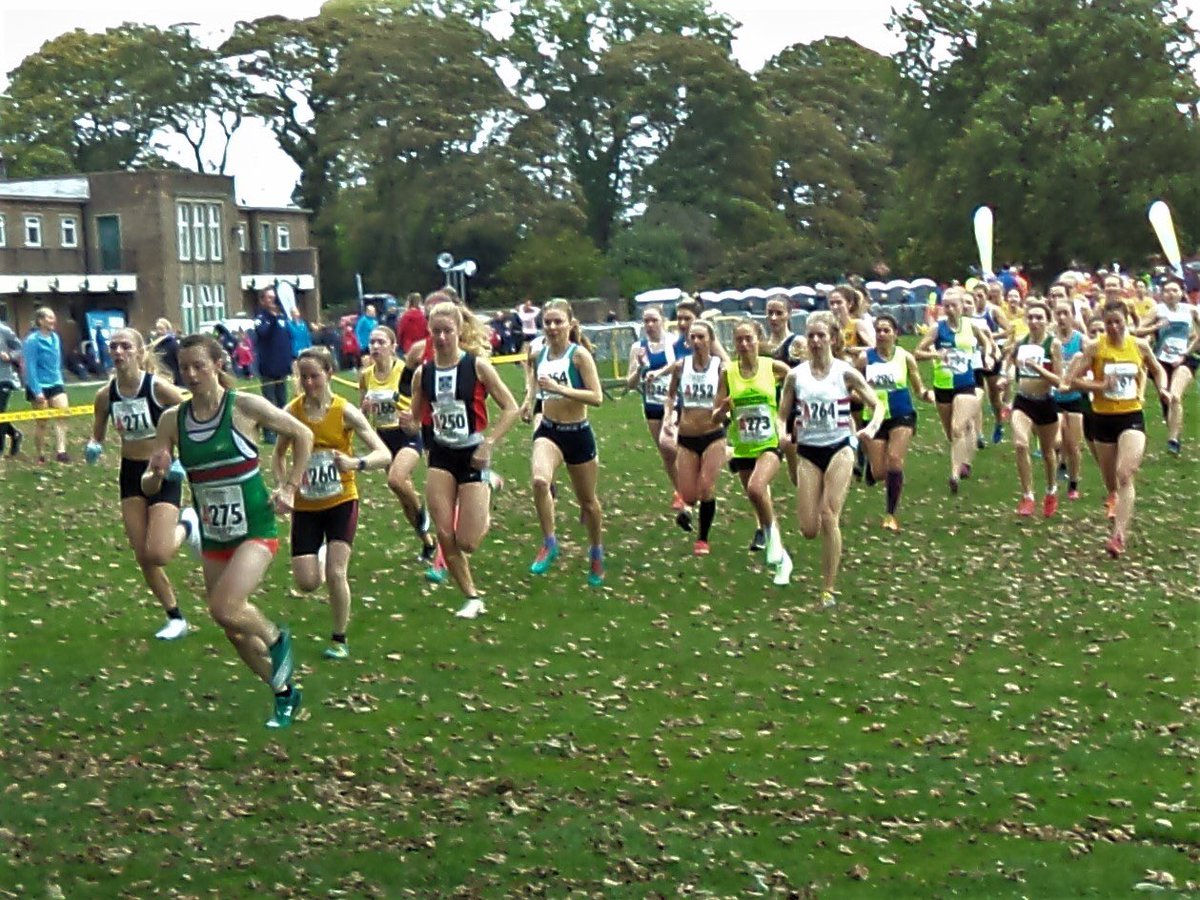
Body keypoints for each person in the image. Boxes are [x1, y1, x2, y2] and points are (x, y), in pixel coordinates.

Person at [141, 333, 314, 729]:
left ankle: (276, 637)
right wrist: (157, 473)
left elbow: (303, 435)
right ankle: (284, 693)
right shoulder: (173, 420)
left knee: (225, 607)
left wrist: (290, 487)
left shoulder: (244, 407)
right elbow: (150, 486)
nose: (191, 375)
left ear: (218, 365)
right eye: (184, 368)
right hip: (215, 535)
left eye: (199, 366)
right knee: (233, 631)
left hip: (255, 527)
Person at [275, 347, 390, 660]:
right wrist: (284, 487)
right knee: (307, 582)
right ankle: (323, 555)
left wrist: (355, 463)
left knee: (337, 573)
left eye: (314, 376)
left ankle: (339, 638)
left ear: (329, 373)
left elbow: (383, 453)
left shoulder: (345, 411)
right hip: (306, 505)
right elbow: (278, 455)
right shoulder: (292, 412)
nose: (309, 383)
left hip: (341, 499)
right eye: (303, 377)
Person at [86, 327, 199, 639]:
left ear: (139, 352)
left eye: (125, 346)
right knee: (143, 555)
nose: (118, 352)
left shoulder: (157, 387)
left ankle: (188, 524)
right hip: (130, 473)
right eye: (113, 347)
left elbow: (190, 412)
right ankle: (175, 617)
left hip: (163, 471)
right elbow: (98, 432)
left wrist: (181, 455)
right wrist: (94, 446)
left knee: (158, 553)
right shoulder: (105, 395)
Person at [410, 302, 519, 619]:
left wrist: (489, 443)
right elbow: (416, 420)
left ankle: (489, 484)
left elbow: (511, 408)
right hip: (441, 454)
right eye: (436, 332)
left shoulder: (477, 367)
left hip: (473, 453)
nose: (442, 337)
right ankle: (472, 597)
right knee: (445, 534)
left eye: (447, 331)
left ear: (459, 331)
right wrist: (406, 422)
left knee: (467, 542)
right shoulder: (423, 373)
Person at [779, 312, 884, 607]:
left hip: (840, 447)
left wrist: (870, 429)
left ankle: (828, 588)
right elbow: (782, 414)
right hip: (808, 451)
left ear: (832, 338)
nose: (815, 341)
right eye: (811, 335)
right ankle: (827, 581)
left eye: (821, 335)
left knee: (829, 515)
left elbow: (877, 404)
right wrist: (782, 434)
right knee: (809, 529)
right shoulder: (796, 376)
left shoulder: (844, 373)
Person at [1067, 301, 1168, 557]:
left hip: (1131, 416)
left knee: (1125, 474)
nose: (1113, 327)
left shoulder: (1139, 346)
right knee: (1111, 480)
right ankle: (1113, 497)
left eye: (1118, 322)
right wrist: (1100, 386)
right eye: (1109, 322)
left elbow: (1157, 370)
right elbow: (1073, 381)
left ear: (1127, 321)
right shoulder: (1095, 347)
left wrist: (1163, 390)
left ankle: (1118, 536)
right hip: (1102, 418)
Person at [524, 299, 606, 586]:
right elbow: (535, 383)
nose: (552, 327)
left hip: (578, 433)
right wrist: (528, 403)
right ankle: (549, 542)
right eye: (547, 322)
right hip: (549, 430)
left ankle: (596, 551)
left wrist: (561, 389)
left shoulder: (579, 356)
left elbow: (597, 397)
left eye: (558, 321)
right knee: (539, 481)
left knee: (588, 503)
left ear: (570, 324)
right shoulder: (539, 354)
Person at [713, 319, 793, 583]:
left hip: (769, 442)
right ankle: (782, 560)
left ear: (759, 340)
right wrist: (723, 410)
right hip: (743, 446)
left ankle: (772, 538)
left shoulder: (773, 367)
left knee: (757, 489)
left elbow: (796, 380)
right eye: (739, 340)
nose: (744, 344)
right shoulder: (728, 373)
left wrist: (789, 414)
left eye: (749, 338)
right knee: (759, 499)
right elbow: (714, 417)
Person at [359, 325, 436, 561]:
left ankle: (422, 514)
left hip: (407, 434)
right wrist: (364, 409)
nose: (375, 346)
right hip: (383, 439)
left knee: (396, 479)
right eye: (372, 342)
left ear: (393, 346)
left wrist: (415, 418)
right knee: (403, 496)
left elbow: (422, 400)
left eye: (381, 342)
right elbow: (362, 414)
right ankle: (427, 542)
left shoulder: (404, 370)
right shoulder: (366, 375)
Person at [915, 287, 995, 494]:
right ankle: (964, 460)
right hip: (943, 385)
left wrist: (987, 355)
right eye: (946, 306)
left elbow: (986, 342)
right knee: (952, 433)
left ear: (961, 306)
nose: (950, 309)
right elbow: (917, 352)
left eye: (954, 305)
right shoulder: (937, 329)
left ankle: (954, 474)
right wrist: (936, 355)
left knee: (958, 427)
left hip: (966, 383)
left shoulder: (971, 326)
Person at [858, 313, 931, 532]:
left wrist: (927, 395)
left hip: (902, 414)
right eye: (878, 330)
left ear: (895, 333)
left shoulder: (905, 357)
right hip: (875, 418)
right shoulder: (865, 358)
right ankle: (870, 468)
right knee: (880, 472)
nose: (881, 334)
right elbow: (853, 386)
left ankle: (890, 514)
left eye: (886, 330)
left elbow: (918, 388)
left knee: (895, 460)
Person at [662, 319, 725, 555]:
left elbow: (726, 398)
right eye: (693, 337)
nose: (696, 341)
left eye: (701, 337)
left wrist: (725, 412)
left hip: (712, 435)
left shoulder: (720, 368)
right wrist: (668, 417)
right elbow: (670, 395)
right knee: (688, 495)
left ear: (711, 340)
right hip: (687, 437)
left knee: (706, 488)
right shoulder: (681, 366)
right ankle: (687, 513)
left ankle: (702, 539)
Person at [1001, 300, 1063, 518]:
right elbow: (1009, 363)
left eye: (1039, 318)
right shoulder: (1021, 342)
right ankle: (1028, 496)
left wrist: (1038, 368)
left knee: (1047, 452)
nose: (1034, 321)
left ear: (1047, 321)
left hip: (1045, 402)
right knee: (1020, 444)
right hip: (1023, 401)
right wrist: (1004, 378)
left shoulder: (1053, 345)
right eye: (1031, 317)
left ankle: (1051, 490)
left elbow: (1059, 380)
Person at [624, 305, 681, 510]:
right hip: (652, 405)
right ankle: (680, 492)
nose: (649, 325)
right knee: (666, 452)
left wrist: (659, 373)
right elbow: (630, 384)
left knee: (673, 447)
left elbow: (682, 366)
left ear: (662, 321)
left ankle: (687, 485)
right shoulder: (638, 348)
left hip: (675, 403)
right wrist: (640, 367)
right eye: (646, 321)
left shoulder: (674, 342)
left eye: (654, 320)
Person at [1137, 276, 1199, 455]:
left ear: (1182, 293)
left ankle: (1173, 440)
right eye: (1167, 291)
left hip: (1184, 359)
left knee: (1175, 396)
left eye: (1174, 290)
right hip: (1161, 360)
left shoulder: (1191, 310)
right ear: (1161, 294)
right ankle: (1174, 431)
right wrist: (1156, 326)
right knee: (1166, 399)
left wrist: (1186, 352)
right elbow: (1137, 330)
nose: (1171, 294)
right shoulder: (1158, 310)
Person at [22, 307, 69, 463]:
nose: (53, 320)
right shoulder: (32, 341)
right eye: (49, 317)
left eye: (53, 317)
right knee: (42, 422)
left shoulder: (56, 338)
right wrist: (37, 391)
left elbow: (57, 363)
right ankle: (40, 454)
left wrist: (59, 380)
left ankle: (61, 451)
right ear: (40, 321)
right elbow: (30, 367)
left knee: (63, 413)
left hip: (55, 382)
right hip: (38, 385)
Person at [1051, 299, 1087, 500]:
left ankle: (1073, 484)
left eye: (1066, 313)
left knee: (1073, 445)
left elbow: (1091, 361)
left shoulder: (1081, 340)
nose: (1062, 317)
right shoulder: (1050, 339)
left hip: (1074, 397)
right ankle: (1056, 471)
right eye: (1058, 313)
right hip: (1053, 396)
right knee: (1056, 441)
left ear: (1073, 316)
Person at [253, 286, 295, 444]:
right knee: (269, 402)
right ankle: (269, 432)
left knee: (283, 401)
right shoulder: (261, 318)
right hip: (268, 367)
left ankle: (282, 430)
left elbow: (287, 338)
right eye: (269, 298)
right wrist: (271, 318)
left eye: (273, 297)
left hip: (282, 366)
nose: (273, 300)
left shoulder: (282, 317)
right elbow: (263, 333)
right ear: (262, 300)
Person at [0, 317, 23, 456]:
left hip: (3, 378)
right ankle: (15, 434)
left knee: (0, 413)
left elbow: (20, 348)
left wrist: (10, 356)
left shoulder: (3, 330)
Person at [151, 318, 183, 385]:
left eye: (161, 329)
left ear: (168, 330)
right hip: (160, 379)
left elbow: (179, 363)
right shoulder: (155, 345)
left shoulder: (173, 344)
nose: (158, 332)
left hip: (173, 381)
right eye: (157, 329)